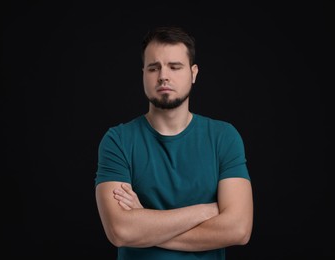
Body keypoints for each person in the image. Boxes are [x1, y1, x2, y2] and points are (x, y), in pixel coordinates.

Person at [94, 25, 253, 259]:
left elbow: (238, 229)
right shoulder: (118, 141)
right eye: (153, 68)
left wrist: (145, 221)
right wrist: (206, 211)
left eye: (175, 67)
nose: (163, 76)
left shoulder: (223, 137)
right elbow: (120, 231)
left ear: (193, 73)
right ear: (143, 74)